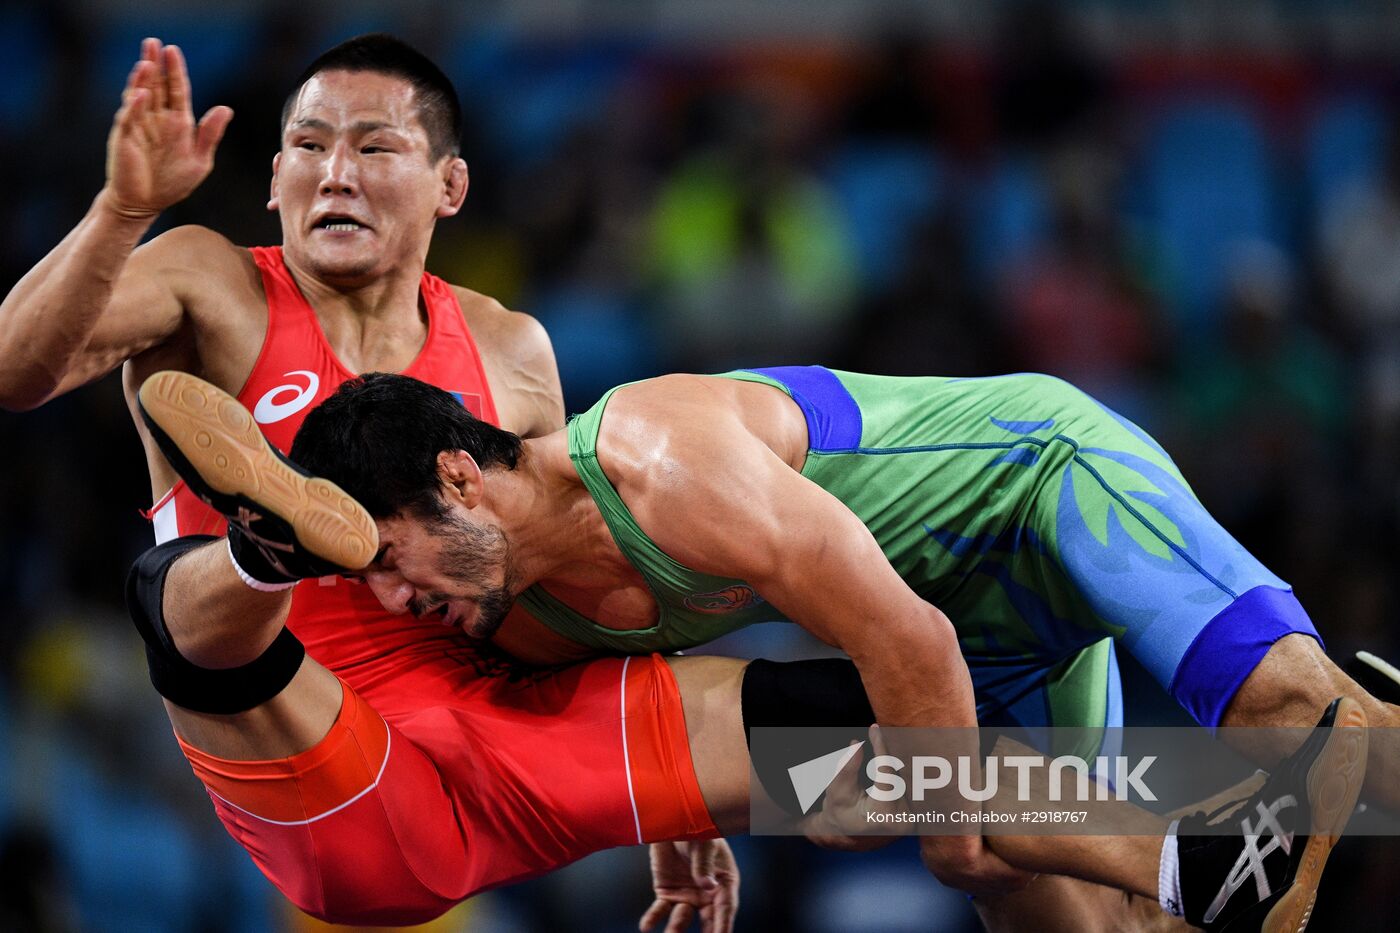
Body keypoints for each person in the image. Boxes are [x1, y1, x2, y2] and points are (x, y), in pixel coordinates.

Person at [135, 365, 1372, 933]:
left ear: (461, 476)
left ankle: (1297, 778)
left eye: (392, 561)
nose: (396, 605)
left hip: (1042, 491)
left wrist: (942, 830)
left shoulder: (662, 462)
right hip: (971, 636)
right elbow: (649, 716)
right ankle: (1204, 854)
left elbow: (903, 635)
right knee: (1089, 917)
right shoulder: (509, 610)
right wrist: (690, 846)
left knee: (1280, 708)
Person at [0, 33, 749, 929]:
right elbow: (16, 373)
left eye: (375, 147)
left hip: (504, 751)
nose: (336, 174)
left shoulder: (511, 350)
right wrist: (124, 210)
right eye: (310, 148)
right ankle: (273, 544)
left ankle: (966, 820)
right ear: (275, 179)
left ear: (450, 186)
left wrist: (685, 801)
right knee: (177, 606)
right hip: (324, 761)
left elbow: (569, 576)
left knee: (884, 755)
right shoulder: (213, 283)